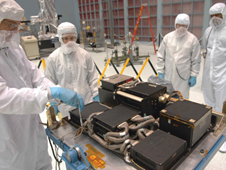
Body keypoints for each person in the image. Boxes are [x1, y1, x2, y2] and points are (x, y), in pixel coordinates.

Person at [0, 0, 84, 169]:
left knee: (42, 163)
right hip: (9, 136)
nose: (15, 30)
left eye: (18, 24)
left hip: (32, 129)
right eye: (10, 24)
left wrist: (56, 91)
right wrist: (48, 94)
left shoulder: (14, 48)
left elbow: (35, 76)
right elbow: (4, 97)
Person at [45, 22, 99, 117]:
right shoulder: (53, 58)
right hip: (65, 106)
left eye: (72, 38)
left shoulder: (84, 55)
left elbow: (93, 77)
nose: (69, 42)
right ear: (61, 39)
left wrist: (96, 95)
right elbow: (49, 82)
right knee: (70, 130)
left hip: (86, 102)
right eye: (65, 39)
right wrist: (53, 103)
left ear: (76, 37)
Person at [156, 13, 201, 99]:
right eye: (179, 25)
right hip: (167, 75)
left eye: (184, 25)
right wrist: (160, 71)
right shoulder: (168, 37)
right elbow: (160, 56)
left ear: (187, 26)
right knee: (166, 98)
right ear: (175, 24)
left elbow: (196, 60)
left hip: (183, 78)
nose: (181, 28)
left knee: (181, 99)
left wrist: (194, 75)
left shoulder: (193, 40)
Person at [202, 3, 226, 152]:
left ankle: (224, 135)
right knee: (209, 101)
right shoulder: (208, 31)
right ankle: (212, 127)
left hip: (223, 74)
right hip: (208, 73)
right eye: (212, 16)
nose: (215, 18)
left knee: (223, 104)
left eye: (218, 15)